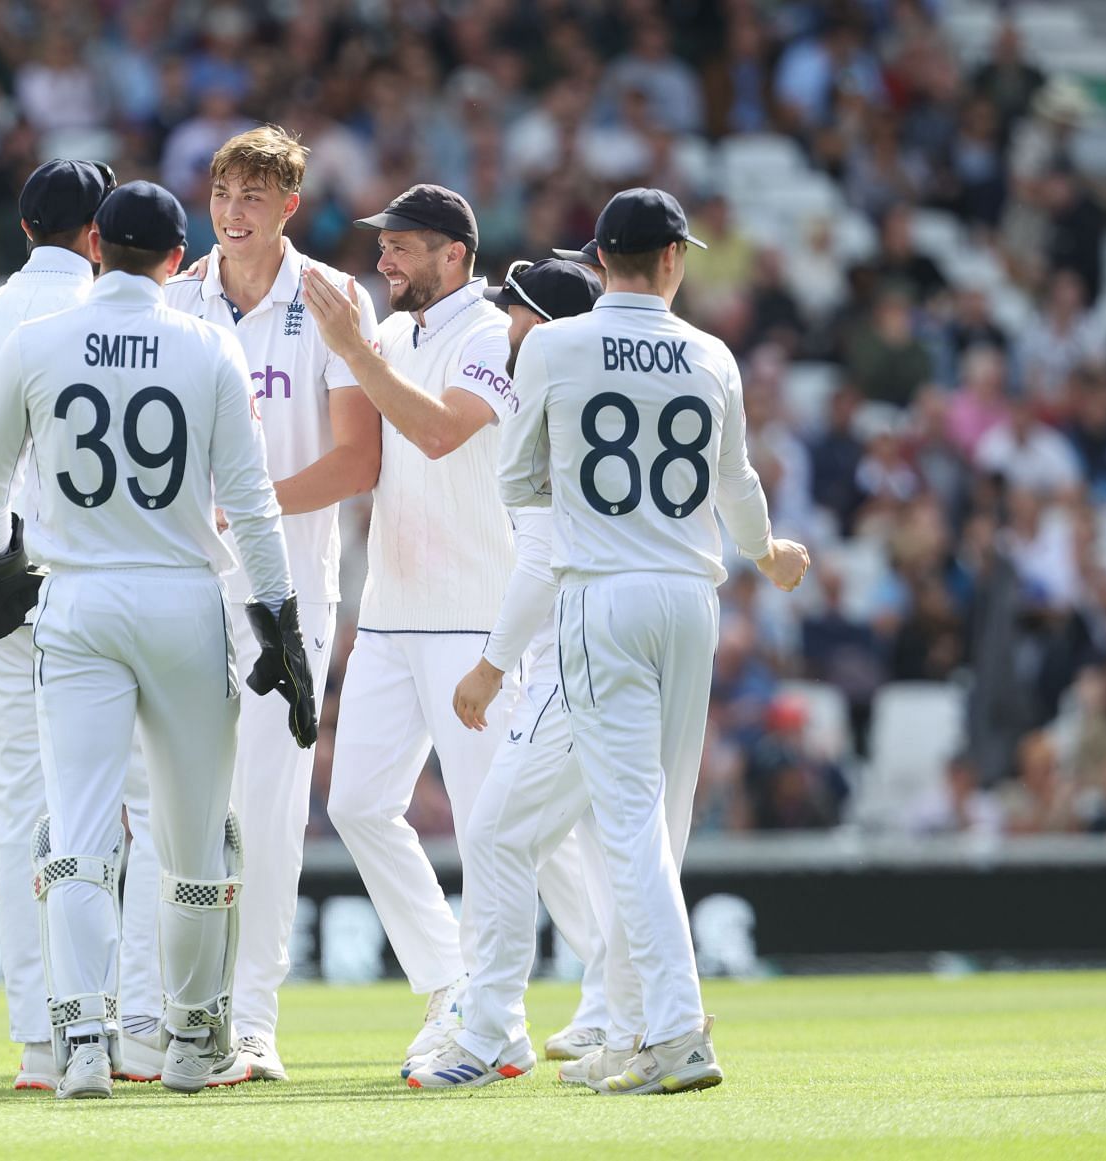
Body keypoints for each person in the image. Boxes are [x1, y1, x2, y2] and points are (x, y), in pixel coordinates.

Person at [412, 188, 808, 1094]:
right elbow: (736, 476)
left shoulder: (552, 345)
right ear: (674, 259)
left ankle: (669, 1030)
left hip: (603, 597)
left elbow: (520, 477)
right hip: (692, 598)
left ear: (600, 260)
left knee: (622, 826)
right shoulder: (711, 353)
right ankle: (628, 1024)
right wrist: (766, 552)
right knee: (645, 830)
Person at [0, 181, 315, 1099]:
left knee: (75, 833)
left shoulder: (36, 343)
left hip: (74, 602)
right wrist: (281, 622)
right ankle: (194, 1040)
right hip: (181, 600)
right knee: (196, 839)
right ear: (173, 258)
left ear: (97, 248)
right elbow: (255, 502)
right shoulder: (209, 344)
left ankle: (81, 1040)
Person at [158, 125, 381, 1082]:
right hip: (178, 586)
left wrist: (244, 507)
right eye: (222, 193)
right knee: (171, 807)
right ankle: (171, 1015)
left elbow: (357, 459)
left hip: (284, 590)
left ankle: (253, 1023)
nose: (233, 211)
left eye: (254, 195)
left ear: (290, 205)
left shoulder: (330, 297)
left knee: (270, 807)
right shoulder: (173, 299)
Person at [0, 158, 165, 1092]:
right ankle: (140, 1019)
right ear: (95, 235)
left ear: (27, 227)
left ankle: (43, 1033)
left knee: (23, 805)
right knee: (146, 801)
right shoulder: (121, 319)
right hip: (95, 575)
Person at [298, 184, 521, 1069]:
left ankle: (511, 1021)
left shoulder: (494, 332)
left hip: (476, 619)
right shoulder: (391, 337)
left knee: (493, 829)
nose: (384, 260)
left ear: (454, 255)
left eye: (403, 246)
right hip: (391, 616)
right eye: (382, 245)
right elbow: (359, 453)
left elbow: (438, 436)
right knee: (355, 804)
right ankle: (452, 985)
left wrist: (351, 346)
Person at [442, 256, 615, 1077]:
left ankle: (490, 1030)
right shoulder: (607, 399)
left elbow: (541, 561)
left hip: (576, 656)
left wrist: (488, 665)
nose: (502, 323)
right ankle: (625, 1007)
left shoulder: (547, 410)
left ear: (543, 328)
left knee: (499, 833)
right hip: (641, 644)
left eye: (514, 311)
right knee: (601, 842)